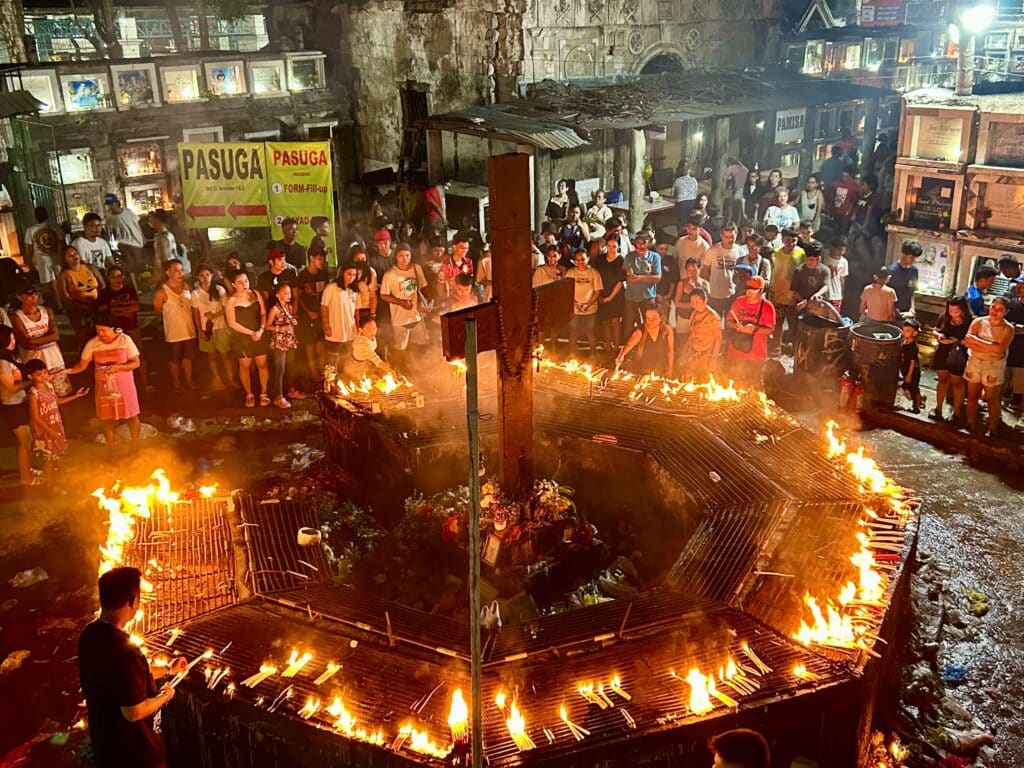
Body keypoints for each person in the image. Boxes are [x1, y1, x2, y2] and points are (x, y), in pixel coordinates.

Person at [78, 567, 186, 768]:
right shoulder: (126, 652)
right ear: (131, 601)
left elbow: (127, 678)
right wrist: (165, 696)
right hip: (137, 755)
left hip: (105, 746)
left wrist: (169, 670)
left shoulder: (89, 634)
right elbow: (133, 712)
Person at [65, 314, 143, 459]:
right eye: (98, 330)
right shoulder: (93, 343)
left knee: (131, 416)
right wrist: (64, 371)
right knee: (107, 419)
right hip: (103, 386)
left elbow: (135, 362)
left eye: (103, 330)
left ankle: (135, 447)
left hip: (124, 384)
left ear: (113, 329)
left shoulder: (125, 340)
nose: (100, 334)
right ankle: (112, 449)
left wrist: (118, 368)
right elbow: (81, 366)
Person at [25, 359, 87, 482]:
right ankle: (48, 484)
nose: (43, 376)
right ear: (30, 376)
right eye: (38, 374)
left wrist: (76, 395)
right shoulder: (33, 394)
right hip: (44, 430)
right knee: (48, 458)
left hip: (56, 425)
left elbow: (57, 402)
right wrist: (49, 431)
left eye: (44, 372)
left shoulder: (49, 387)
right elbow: (35, 417)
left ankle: (62, 480)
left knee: (59, 454)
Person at [963, 296, 1014, 436]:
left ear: (1006, 312)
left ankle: (992, 428)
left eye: (999, 310)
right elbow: (967, 341)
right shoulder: (978, 322)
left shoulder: (1008, 328)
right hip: (975, 362)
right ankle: (969, 423)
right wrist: (992, 347)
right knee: (972, 395)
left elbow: (999, 350)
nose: (995, 312)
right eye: (993, 307)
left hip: (993, 366)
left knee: (992, 398)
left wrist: (977, 342)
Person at [98, 266, 151, 393]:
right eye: (113, 276)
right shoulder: (105, 293)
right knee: (118, 356)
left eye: (119, 276)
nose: (117, 279)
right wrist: (125, 311)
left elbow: (135, 307)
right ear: (108, 278)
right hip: (114, 331)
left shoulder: (130, 290)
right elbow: (104, 310)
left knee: (139, 354)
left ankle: (145, 383)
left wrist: (117, 310)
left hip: (132, 327)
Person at [12, 282, 71, 397]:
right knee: (40, 394)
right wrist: (47, 338)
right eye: (29, 295)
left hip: (54, 358)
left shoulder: (46, 311)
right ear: (19, 297)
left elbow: (55, 336)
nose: (34, 297)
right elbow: (26, 343)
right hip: (34, 361)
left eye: (36, 294)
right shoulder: (17, 317)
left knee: (61, 391)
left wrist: (35, 340)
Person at [225, 270, 270, 408]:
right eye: (240, 282)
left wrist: (261, 330)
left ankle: (264, 393)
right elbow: (232, 323)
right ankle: (249, 394)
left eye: (246, 281)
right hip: (242, 338)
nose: (244, 284)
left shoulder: (255, 294)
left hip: (259, 334)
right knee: (245, 366)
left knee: (262, 364)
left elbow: (263, 313)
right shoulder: (231, 301)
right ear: (233, 284)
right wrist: (251, 333)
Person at [380, 243, 429, 367]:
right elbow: (383, 295)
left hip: (417, 316)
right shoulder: (390, 274)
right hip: (400, 318)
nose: (404, 259)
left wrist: (426, 302)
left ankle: (416, 369)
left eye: (407, 255)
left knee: (419, 345)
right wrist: (401, 302)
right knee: (400, 348)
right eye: (401, 255)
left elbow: (423, 287)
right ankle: (401, 371)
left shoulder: (416, 268)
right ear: (396, 256)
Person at [153, 259, 198, 394]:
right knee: (174, 358)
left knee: (188, 357)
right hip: (173, 333)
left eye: (181, 270)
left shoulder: (187, 287)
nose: (180, 273)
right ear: (168, 272)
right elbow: (158, 311)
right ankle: (177, 382)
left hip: (189, 330)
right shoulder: (162, 292)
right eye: (176, 271)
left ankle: (189, 380)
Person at [0, 325, 36, 486]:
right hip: (12, 405)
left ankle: (26, 470)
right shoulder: (2, 362)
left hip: (19, 402)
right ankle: (25, 479)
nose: (13, 341)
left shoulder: (10, 357)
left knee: (24, 440)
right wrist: (33, 381)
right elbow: (11, 387)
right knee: (24, 441)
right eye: (10, 338)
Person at [725, 275, 776, 387]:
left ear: (761, 291)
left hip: (756, 355)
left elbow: (770, 330)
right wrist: (736, 326)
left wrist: (754, 329)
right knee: (733, 385)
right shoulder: (738, 302)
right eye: (747, 289)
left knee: (754, 387)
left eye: (753, 290)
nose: (749, 292)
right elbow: (729, 321)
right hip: (735, 352)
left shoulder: (767, 307)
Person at [190, 267, 234, 391]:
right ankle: (217, 378)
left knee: (225, 355)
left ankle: (231, 378)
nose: (205, 278)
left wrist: (214, 315)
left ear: (211, 276)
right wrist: (200, 329)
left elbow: (226, 307)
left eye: (207, 275)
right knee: (211, 356)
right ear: (198, 277)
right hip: (206, 328)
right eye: (202, 275)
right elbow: (196, 313)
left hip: (221, 326)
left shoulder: (219, 290)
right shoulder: (196, 293)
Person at [930, 295, 972, 424]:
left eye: (956, 311)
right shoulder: (944, 318)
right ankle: (938, 409)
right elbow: (935, 331)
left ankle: (957, 413)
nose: (953, 314)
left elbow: (971, 341)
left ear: (963, 310)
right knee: (942, 380)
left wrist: (957, 340)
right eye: (950, 311)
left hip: (958, 355)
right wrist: (939, 336)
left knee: (957, 383)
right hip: (943, 352)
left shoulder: (970, 322)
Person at [56, 244, 105, 349]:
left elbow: (102, 285)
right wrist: (83, 306)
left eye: (75, 253)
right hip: (79, 311)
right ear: (65, 260)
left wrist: (100, 303)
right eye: (70, 256)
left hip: (97, 306)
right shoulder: (64, 276)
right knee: (85, 339)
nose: (74, 257)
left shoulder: (90, 268)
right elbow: (66, 298)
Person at [264, 282, 302, 409]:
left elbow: (290, 322)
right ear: (278, 295)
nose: (289, 295)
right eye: (285, 293)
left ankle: (290, 390)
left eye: (290, 293)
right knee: (280, 369)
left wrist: (293, 321)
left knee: (290, 366)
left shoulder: (289, 307)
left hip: (289, 340)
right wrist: (280, 328)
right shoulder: (275, 309)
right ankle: (278, 396)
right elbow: (267, 326)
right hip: (280, 341)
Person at [768, 228, 805, 352]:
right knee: (778, 325)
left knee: (794, 326)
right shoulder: (776, 253)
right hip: (778, 296)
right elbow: (772, 274)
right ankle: (776, 349)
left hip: (793, 297)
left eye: (794, 240)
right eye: (787, 240)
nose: (791, 244)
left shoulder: (801, 254)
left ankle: (795, 351)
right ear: (783, 240)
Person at [296, 248, 329, 382]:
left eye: (323, 259)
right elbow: (298, 297)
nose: (321, 262)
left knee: (321, 342)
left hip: (321, 314)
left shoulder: (323, 275)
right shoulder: (303, 276)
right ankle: (312, 371)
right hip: (307, 315)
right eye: (319, 259)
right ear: (311, 258)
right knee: (310, 344)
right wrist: (308, 312)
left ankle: (322, 369)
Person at [321, 262, 361, 371]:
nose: (351, 277)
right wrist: (326, 326)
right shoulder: (331, 288)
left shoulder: (354, 291)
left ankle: (342, 381)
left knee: (345, 358)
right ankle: (329, 383)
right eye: (349, 274)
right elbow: (324, 307)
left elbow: (356, 310)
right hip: (334, 330)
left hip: (350, 331)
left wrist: (358, 326)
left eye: (354, 275)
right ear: (342, 273)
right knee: (331, 361)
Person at [701, 222, 744, 318]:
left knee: (730, 325)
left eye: (732, 236)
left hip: (732, 295)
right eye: (726, 237)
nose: (729, 239)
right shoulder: (713, 250)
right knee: (715, 323)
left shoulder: (741, 252)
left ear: (736, 234)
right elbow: (705, 272)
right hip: (714, 295)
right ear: (721, 236)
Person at [24, 206, 63, 310]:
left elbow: (29, 248)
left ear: (35, 216)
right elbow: (63, 242)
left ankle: (58, 304)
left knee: (51, 283)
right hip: (57, 258)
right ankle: (61, 303)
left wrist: (29, 262)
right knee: (57, 282)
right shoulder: (56, 227)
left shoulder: (31, 230)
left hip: (43, 260)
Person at [616, 306, 674, 377]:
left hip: (661, 366)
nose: (651, 321)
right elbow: (628, 345)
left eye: (654, 318)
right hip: (643, 368)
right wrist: (621, 355)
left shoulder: (667, 329)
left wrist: (670, 370)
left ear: (661, 318)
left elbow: (670, 350)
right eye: (648, 318)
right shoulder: (641, 331)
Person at [566, 248, 603, 357]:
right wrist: (576, 303)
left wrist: (588, 304)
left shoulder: (594, 273)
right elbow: (567, 290)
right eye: (577, 259)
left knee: (590, 330)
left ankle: (593, 353)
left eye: (582, 259)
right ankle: (572, 352)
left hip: (590, 307)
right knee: (573, 330)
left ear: (588, 258)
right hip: (574, 307)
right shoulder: (570, 272)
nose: (580, 262)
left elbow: (597, 291)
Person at [679, 287, 721, 378]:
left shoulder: (713, 317)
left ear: (705, 301)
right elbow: (691, 334)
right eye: (692, 302)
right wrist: (685, 352)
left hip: (706, 352)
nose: (694, 305)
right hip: (694, 351)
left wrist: (713, 359)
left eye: (697, 302)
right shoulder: (694, 313)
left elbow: (718, 338)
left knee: (703, 380)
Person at [623, 230, 661, 330]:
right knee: (629, 324)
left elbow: (657, 278)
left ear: (648, 242)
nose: (641, 246)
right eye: (638, 243)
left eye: (643, 243)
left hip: (648, 296)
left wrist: (640, 278)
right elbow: (631, 278)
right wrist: (648, 278)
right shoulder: (629, 257)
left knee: (649, 323)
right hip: (631, 297)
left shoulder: (655, 257)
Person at [595, 235, 625, 357]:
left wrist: (610, 297)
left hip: (616, 294)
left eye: (614, 246)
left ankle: (616, 348)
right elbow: (596, 276)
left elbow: (620, 281)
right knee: (605, 321)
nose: (611, 249)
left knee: (615, 322)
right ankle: (607, 346)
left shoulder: (621, 260)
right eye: (609, 246)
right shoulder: (600, 259)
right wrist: (599, 296)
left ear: (618, 247)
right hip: (602, 291)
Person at [104, 195, 145, 277]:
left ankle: (140, 282)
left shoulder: (128, 212)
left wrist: (143, 237)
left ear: (116, 203)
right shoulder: (110, 218)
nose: (110, 207)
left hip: (137, 241)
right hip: (124, 242)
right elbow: (110, 233)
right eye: (108, 205)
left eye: (111, 204)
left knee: (140, 263)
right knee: (131, 265)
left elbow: (137, 224)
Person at [790, 240, 831, 314]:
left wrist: (817, 295)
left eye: (818, 259)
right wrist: (804, 301)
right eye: (811, 260)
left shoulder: (825, 270)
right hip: (802, 307)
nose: (815, 262)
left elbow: (826, 286)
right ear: (806, 258)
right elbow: (794, 290)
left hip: (819, 307)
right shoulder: (799, 271)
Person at [347, 314, 391, 379]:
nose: (372, 331)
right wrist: (390, 371)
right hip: (357, 366)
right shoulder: (361, 343)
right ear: (360, 330)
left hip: (367, 361)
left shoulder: (368, 335)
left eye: (374, 328)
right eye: (368, 329)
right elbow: (375, 359)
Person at [899, 318, 925, 413]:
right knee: (910, 388)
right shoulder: (904, 342)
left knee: (912, 389)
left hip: (913, 371)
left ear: (914, 333)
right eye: (904, 330)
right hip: (905, 369)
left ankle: (916, 407)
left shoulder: (913, 346)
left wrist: (909, 375)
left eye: (908, 331)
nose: (904, 333)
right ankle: (921, 398)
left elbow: (913, 362)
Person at [889, 240, 921, 316]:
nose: (913, 260)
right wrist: (893, 309)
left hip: (906, 311)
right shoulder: (892, 270)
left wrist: (912, 308)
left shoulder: (914, 270)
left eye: (915, 258)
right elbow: (887, 294)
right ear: (903, 255)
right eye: (911, 257)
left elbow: (912, 291)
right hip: (892, 311)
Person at [829, 166, 859, 235]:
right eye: (843, 176)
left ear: (852, 175)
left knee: (843, 233)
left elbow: (855, 202)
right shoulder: (838, 183)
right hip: (836, 212)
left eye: (846, 176)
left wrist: (851, 212)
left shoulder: (855, 186)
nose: (844, 178)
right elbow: (833, 196)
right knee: (835, 232)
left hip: (846, 214)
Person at [148, 209, 178, 274]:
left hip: (166, 271)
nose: (150, 222)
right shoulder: (169, 234)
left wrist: (162, 273)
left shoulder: (162, 238)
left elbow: (165, 258)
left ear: (158, 220)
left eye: (152, 220)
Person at [824, 236, 849, 312]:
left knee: (833, 320)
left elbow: (842, 279)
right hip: (823, 294)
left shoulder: (844, 262)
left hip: (836, 295)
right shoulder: (823, 257)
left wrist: (842, 293)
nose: (841, 252)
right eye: (839, 249)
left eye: (843, 250)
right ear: (832, 248)